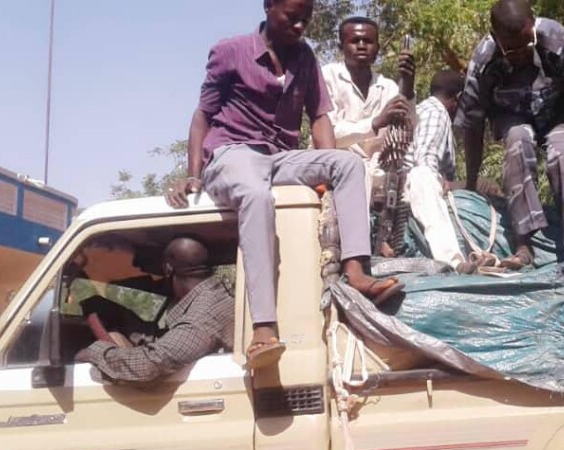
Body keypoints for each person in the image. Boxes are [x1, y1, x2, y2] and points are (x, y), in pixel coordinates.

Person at [167, 0, 403, 370]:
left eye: (305, 21)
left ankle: (357, 271)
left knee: (347, 163)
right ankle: (263, 328)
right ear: (268, 7)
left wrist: (327, 168)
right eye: (292, 18)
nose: (299, 27)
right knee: (257, 196)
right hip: (234, 154)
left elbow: (320, 117)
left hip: (279, 156)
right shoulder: (231, 51)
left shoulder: (305, 58)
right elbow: (203, 116)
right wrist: (194, 173)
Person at [456, 0, 564, 270]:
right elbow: (473, 123)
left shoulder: (558, 39)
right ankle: (523, 244)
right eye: (512, 49)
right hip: (511, 115)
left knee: (561, 154)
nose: (522, 53)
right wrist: (470, 182)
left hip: (556, 113)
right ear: (496, 39)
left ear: (533, 25)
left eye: (528, 43)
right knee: (518, 141)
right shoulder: (483, 60)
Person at [76, 237, 233, 384]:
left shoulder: (203, 316)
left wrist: (96, 353)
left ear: (167, 269)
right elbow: (168, 340)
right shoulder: (212, 295)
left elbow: (150, 365)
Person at [322, 16, 415, 204]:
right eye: (355, 41)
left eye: (368, 41)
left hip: (379, 173)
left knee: (421, 179)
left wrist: (408, 86)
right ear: (341, 47)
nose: (362, 46)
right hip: (338, 169)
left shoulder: (387, 86)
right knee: (357, 171)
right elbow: (327, 135)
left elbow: (407, 132)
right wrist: (375, 123)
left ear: (377, 49)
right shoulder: (328, 76)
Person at [404, 69, 472, 272]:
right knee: (425, 176)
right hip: (414, 183)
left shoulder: (423, 109)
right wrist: (443, 183)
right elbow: (425, 160)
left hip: (411, 179)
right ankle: (453, 260)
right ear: (458, 98)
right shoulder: (437, 113)